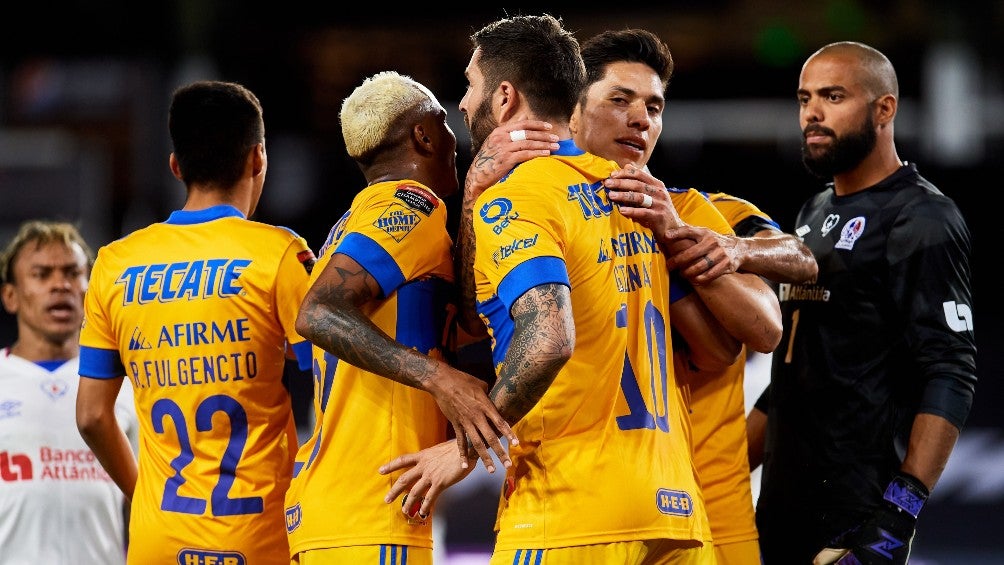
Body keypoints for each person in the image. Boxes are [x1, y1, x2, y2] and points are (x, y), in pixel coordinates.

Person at [380, 14, 782, 564]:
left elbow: (546, 336)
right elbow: (717, 351)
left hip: (571, 506)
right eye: (621, 100)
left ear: (503, 97)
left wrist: (465, 449)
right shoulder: (638, 198)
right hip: (675, 509)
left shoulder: (522, 197)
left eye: (470, 86)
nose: (464, 102)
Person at [572, 29, 817, 565]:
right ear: (573, 107)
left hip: (710, 505)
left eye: (654, 107)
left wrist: (692, 240)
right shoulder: (539, 210)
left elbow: (785, 286)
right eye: (620, 99)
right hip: (585, 501)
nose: (641, 118)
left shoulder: (696, 211)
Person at [752, 41, 976, 565]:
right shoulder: (813, 210)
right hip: (779, 510)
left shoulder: (922, 217)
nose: (812, 112)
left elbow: (951, 371)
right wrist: (710, 472)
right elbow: (791, 381)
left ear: (885, 109)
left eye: (833, 96)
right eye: (805, 97)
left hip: (854, 517)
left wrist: (898, 517)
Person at [283, 70, 519, 565]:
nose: (455, 133)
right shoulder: (408, 207)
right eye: (443, 121)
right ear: (423, 135)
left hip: (344, 509)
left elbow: (470, 322)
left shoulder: (362, 221)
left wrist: (474, 195)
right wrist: (440, 379)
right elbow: (317, 312)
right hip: (371, 509)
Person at [76, 80, 317, 564]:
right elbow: (332, 384)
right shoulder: (278, 255)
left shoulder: (114, 264)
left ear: (176, 166)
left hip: (157, 540)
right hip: (257, 538)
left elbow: (92, 415)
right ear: (258, 160)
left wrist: (141, 490)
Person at [0, 220, 137, 564]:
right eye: (42, 274)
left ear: (91, 290)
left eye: (73, 273)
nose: (60, 285)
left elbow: (146, 501)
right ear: (11, 295)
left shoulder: (127, 387)